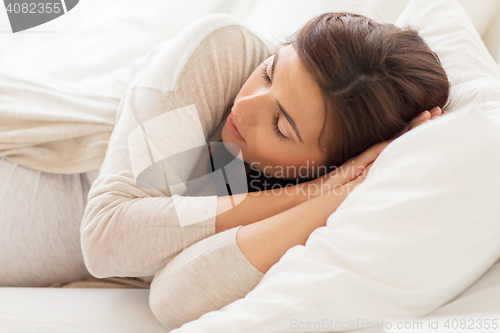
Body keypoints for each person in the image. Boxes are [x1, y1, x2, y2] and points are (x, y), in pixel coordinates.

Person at [0, 11, 449, 329]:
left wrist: (335, 197)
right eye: (269, 73)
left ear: (332, 160)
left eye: (281, 125)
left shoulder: (314, 206)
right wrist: (319, 191)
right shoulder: (223, 52)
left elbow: (174, 299)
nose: (246, 105)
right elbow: (106, 237)